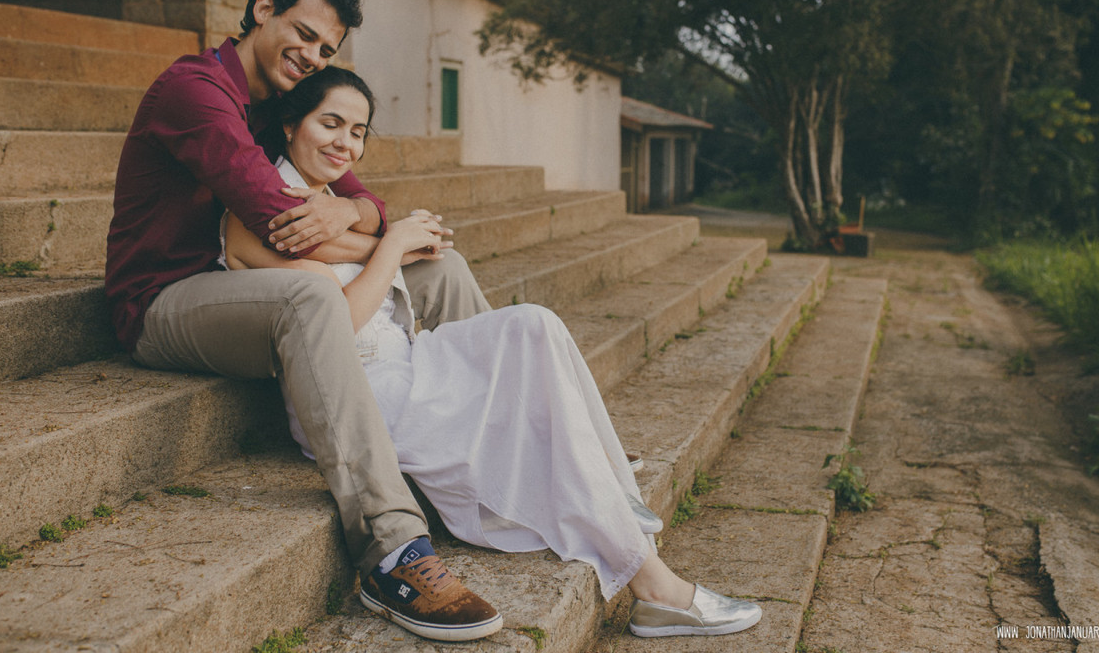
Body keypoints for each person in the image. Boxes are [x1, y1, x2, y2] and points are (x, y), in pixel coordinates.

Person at [219, 65, 765, 639]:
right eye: (330, 124)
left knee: (532, 325)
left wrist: (375, 229)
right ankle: (656, 589)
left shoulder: (334, 205)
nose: (345, 143)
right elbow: (334, 327)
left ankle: (609, 490)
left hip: (407, 361)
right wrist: (394, 243)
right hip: (358, 394)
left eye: (357, 132)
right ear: (290, 125)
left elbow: (391, 247)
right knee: (533, 426)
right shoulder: (255, 218)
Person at [104, 0, 500, 641]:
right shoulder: (195, 91)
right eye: (305, 34)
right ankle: (393, 551)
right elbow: (277, 220)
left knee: (441, 265)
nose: (313, 55)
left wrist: (357, 216)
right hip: (166, 299)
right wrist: (384, 239)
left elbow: (363, 200)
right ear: (262, 9)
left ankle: (511, 425)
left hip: (247, 285)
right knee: (313, 294)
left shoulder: (280, 105)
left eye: (326, 48)